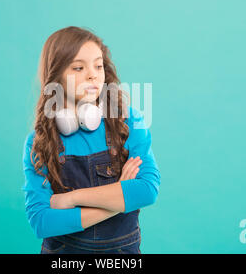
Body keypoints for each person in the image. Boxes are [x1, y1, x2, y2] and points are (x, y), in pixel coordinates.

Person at [22, 26, 160, 254]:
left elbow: (147, 190)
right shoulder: (38, 142)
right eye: (78, 67)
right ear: (55, 77)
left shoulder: (129, 122)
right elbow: (42, 221)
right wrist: (121, 196)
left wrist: (72, 199)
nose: (92, 75)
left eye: (98, 66)